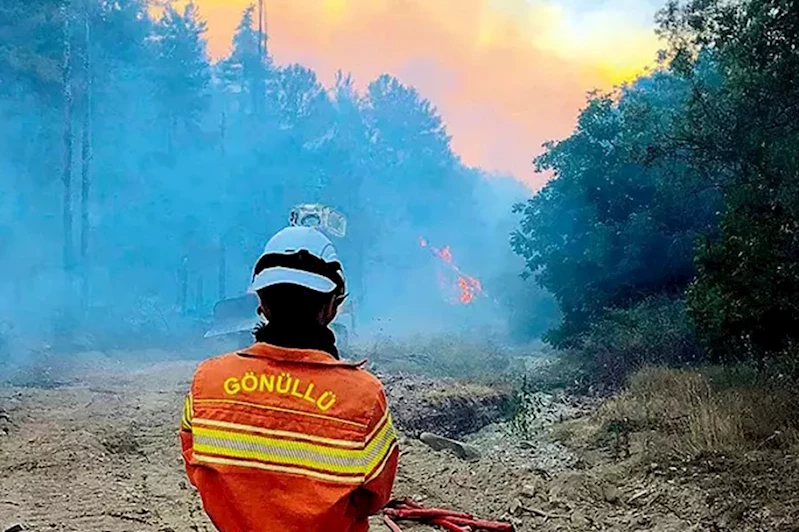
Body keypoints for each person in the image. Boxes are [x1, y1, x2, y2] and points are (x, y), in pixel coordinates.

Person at [180, 226, 399, 532]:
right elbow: (373, 498)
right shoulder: (364, 396)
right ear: (333, 306)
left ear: (262, 303)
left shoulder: (208, 382)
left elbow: (198, 471)